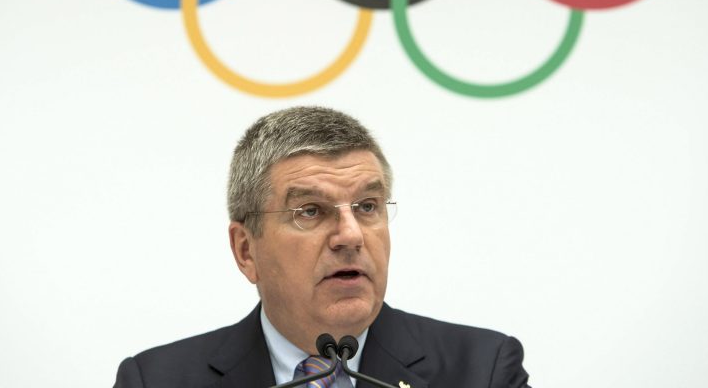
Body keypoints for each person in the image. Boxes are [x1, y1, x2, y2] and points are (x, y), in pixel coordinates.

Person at [114, 106, 531, 388]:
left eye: (367, 206)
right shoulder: (156, 380)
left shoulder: (483, 371)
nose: (351, 235)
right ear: (245, 250)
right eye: (311, 211)